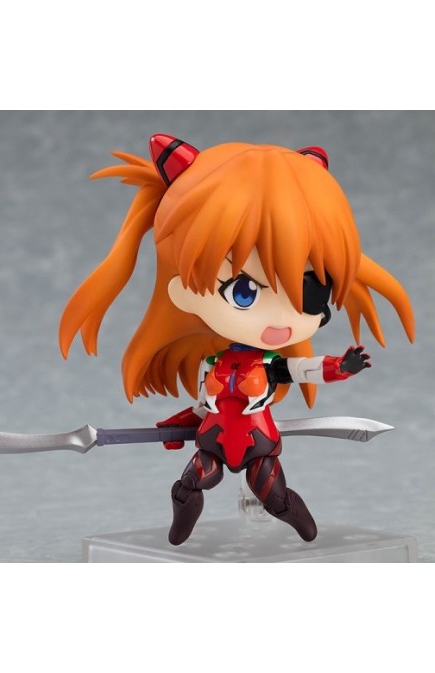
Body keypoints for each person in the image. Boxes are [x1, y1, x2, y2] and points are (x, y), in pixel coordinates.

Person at [59, 134, 414, 545]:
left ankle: (303, 526)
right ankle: (182, 523)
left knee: (275, 499)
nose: (281, 320)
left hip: (258, 445)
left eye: (311, 292)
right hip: (212, 442)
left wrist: (340, 367)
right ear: (183, 290)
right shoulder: (213, 364)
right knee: (190, 485)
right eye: (243, 292)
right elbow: (205, 404)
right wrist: (179, 424)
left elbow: (305, 369)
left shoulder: (271, 366)